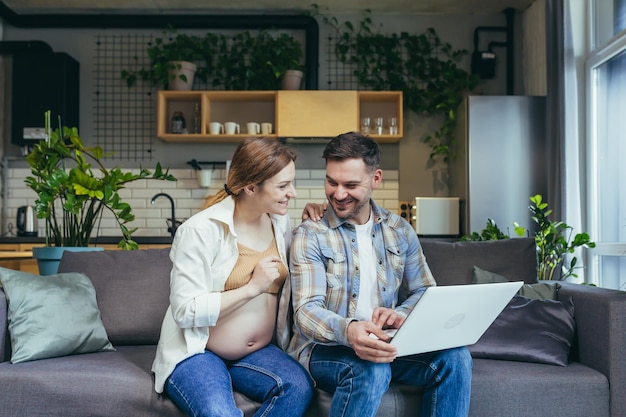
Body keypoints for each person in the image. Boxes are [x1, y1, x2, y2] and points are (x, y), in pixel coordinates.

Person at [287, 132, 472, 417]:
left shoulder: (400, 230)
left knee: (456, 358)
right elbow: (306, 311)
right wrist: (349, 331)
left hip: (388, 341)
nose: (338, 194)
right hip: (326, 349)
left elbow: (424, 291)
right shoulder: (311, 234)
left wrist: (403, 314)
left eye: (350, 184)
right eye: (331, 182)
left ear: (375, 179)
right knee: (371, 369)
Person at [152, 137, 313, 417]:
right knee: (219, 412)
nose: (293, 193)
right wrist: (252, 288)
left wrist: (317, 218)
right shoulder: (200, 231)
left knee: (298, 388)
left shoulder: (279, 221)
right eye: (283, 186)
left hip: (257, 353)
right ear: (252, 187)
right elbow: (184, 310)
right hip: (200, 351)